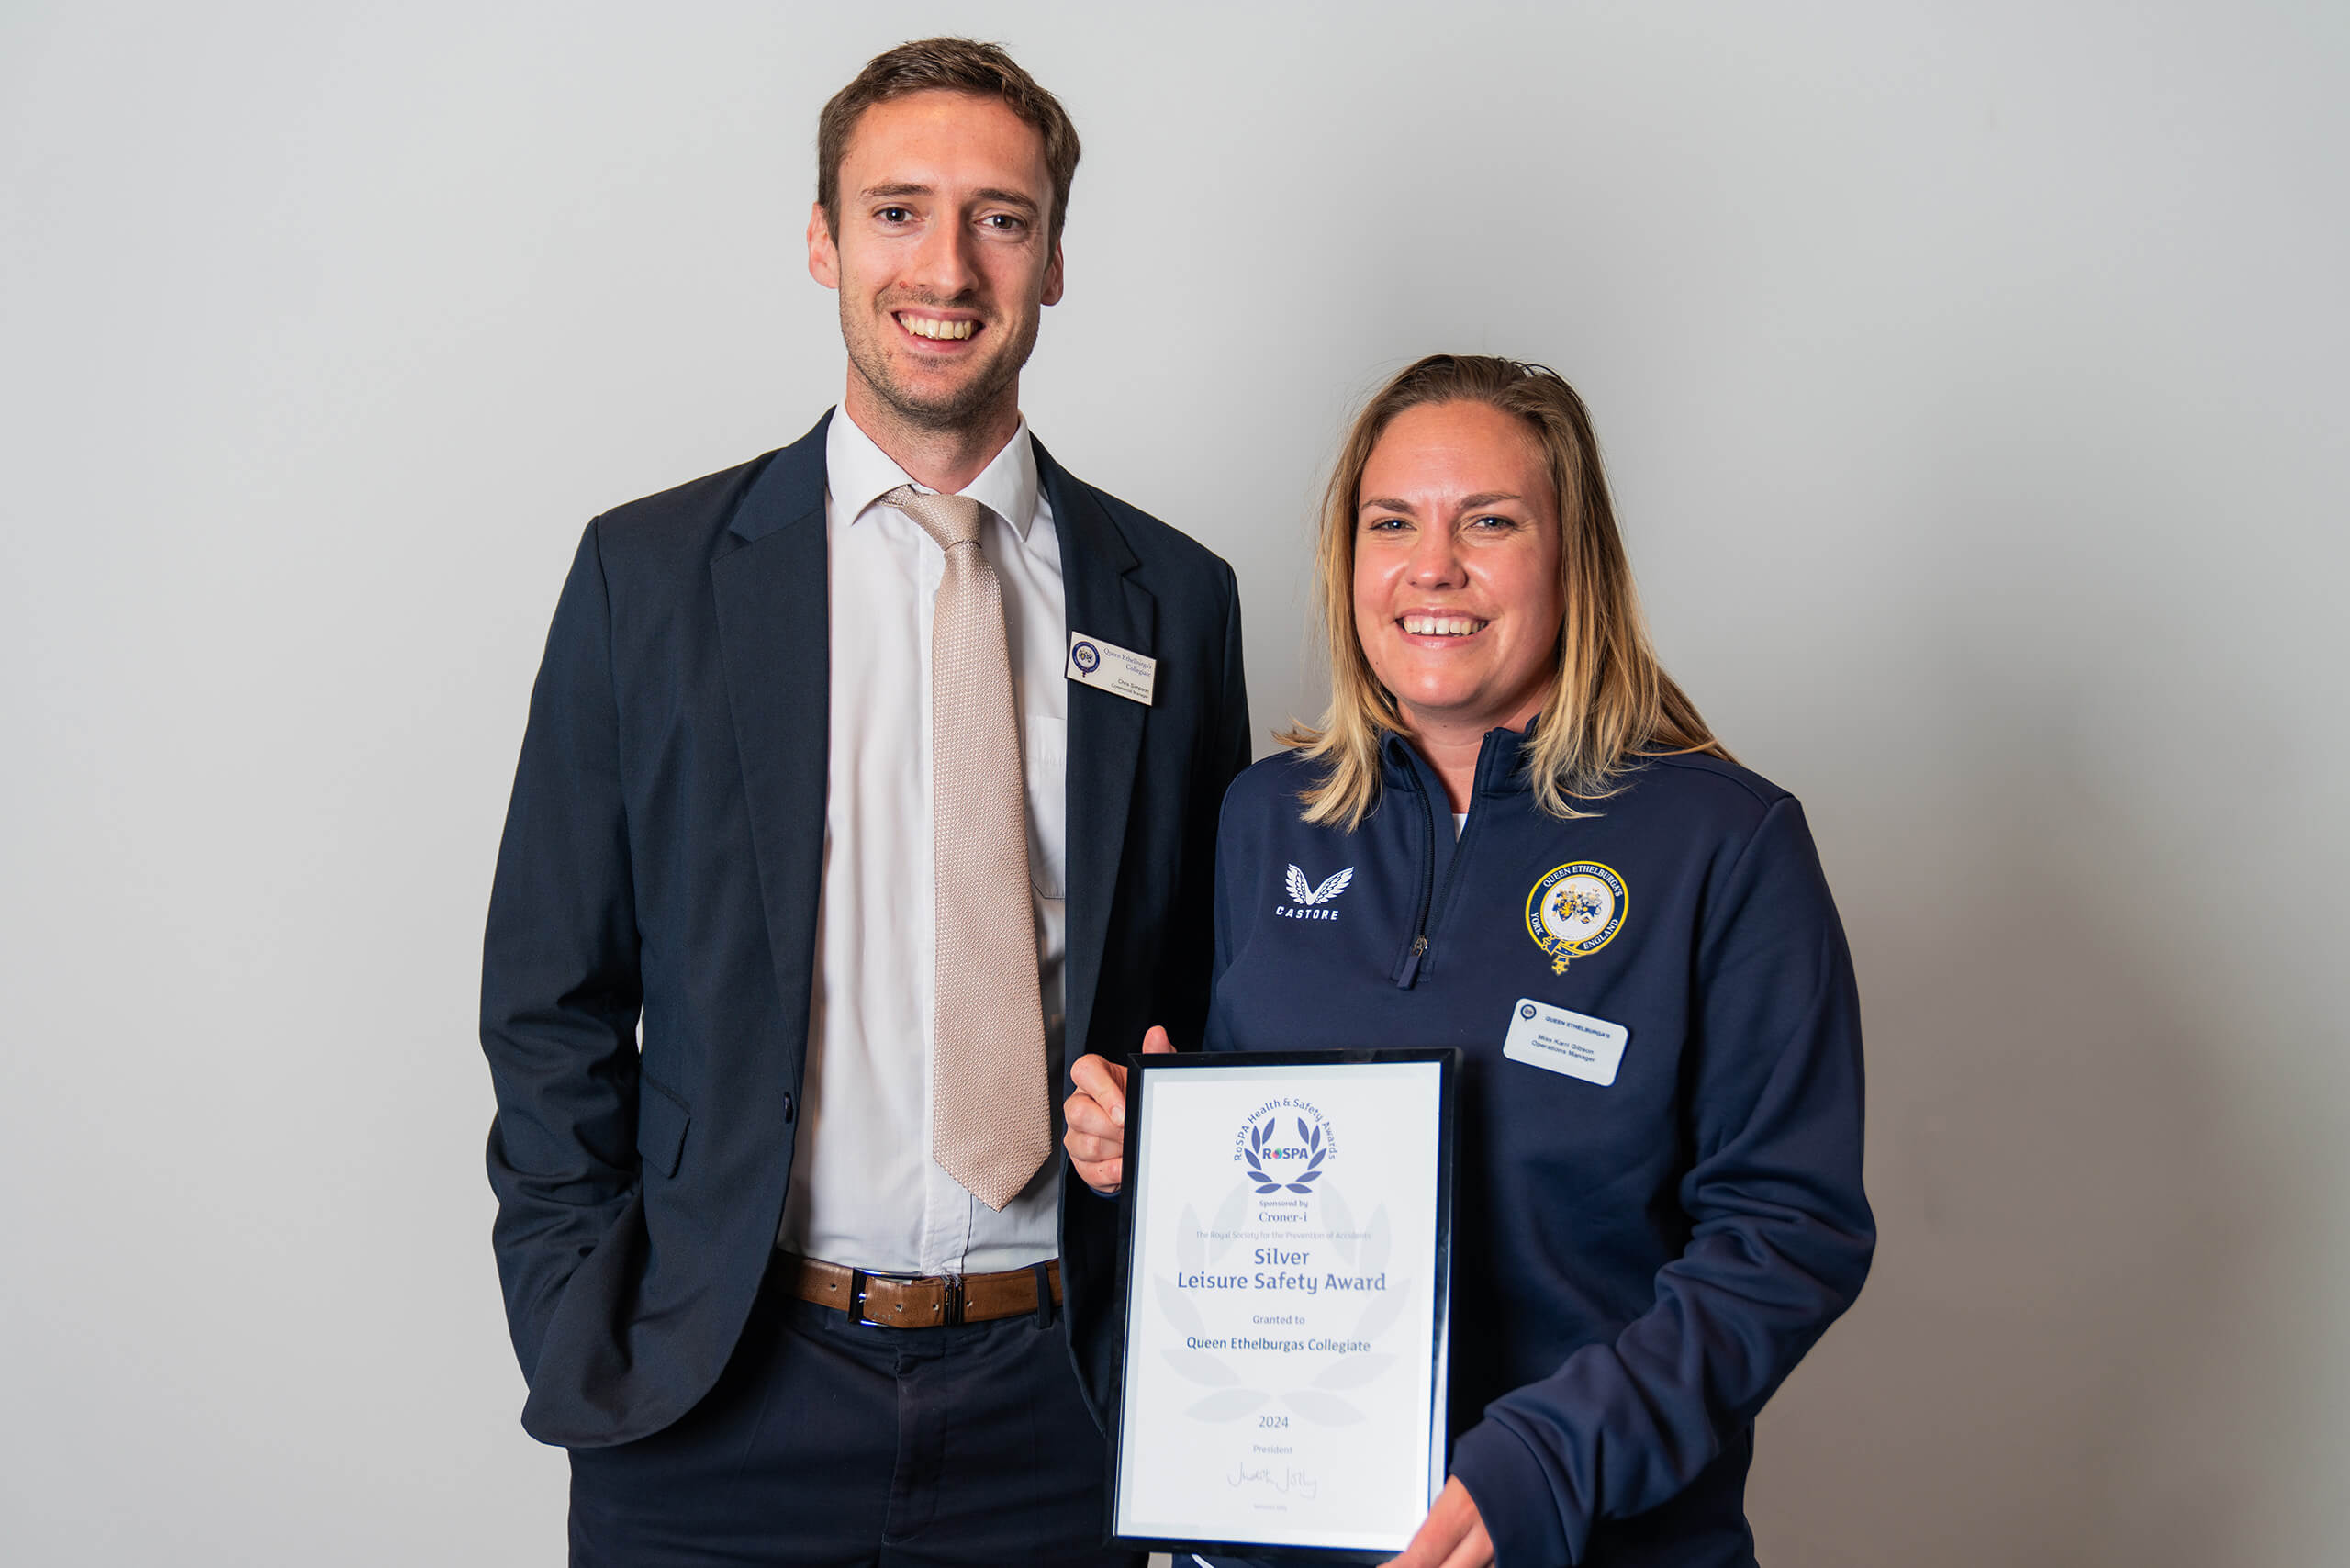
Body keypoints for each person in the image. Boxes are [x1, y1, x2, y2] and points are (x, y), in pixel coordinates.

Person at [480, 38, 1250, 1567]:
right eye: (898, 211)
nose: (946, 266)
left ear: (1049, 260)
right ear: (823, 239)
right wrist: (588, 1315)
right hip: (720, 1397)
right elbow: (552, 994)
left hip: (1069, 1404)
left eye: (1000, 218)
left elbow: (1214, 990)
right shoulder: (653, 579)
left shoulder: (1177, 602)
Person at [1065, 355, 1873, 1567]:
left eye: (1487, 522)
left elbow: (1788, 1232)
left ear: (1572, 556)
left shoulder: (1725, 842)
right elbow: (1265, 1174)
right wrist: (1145, 1147)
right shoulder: (1264, 820)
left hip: (1591, 1534)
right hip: (1279, 1535)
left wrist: (1546, 1465)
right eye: (1392, 523)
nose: (1432, 566)